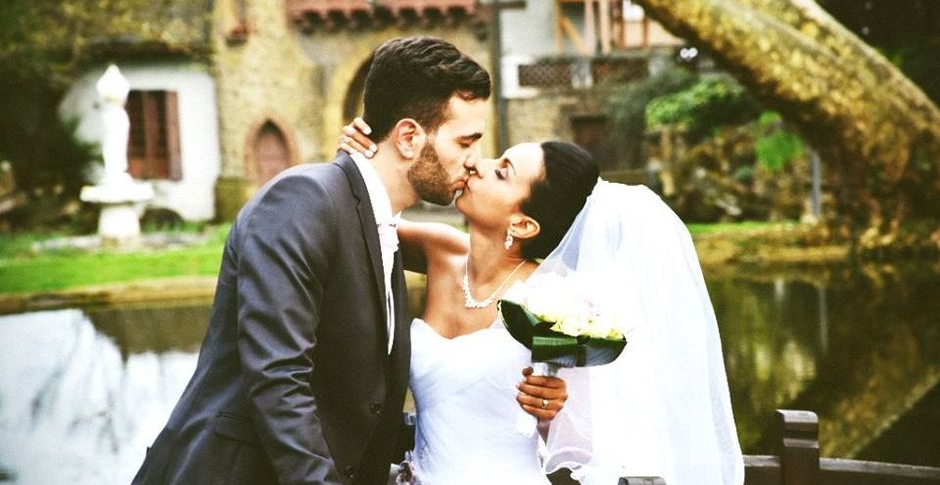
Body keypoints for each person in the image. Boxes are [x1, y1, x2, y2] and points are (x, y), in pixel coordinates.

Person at [131, 36, 567, 485]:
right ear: (409, 137)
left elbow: (359, 403)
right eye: (466, 142)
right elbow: (279, 380)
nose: (474, 162)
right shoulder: (301, 201)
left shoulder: (383, 230)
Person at [341, 120, 745, 484]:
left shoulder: (558, 301)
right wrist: (361, 156)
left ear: (522, 223)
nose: (477, 165)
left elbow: (592, 441)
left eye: (501, 172)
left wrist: (558, 407)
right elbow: (359, 217)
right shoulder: (440, 252)